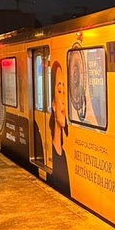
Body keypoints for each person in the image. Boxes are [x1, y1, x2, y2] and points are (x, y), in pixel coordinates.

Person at [49, 60, 71, 197]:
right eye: (59, 91)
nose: (63, 100)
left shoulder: (65, 156)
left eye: (66, 92)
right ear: (53, 104)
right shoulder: (50, 151)